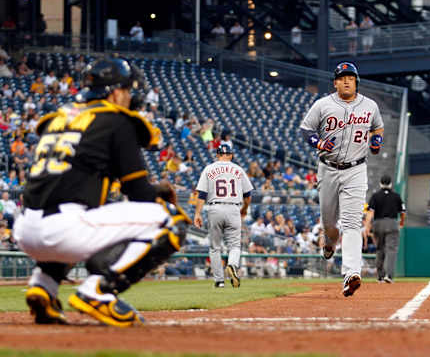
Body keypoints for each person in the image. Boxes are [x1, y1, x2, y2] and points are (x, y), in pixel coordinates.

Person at [13, 57, 191, 327]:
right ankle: (99, 291)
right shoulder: (116, 120)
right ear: (116, 92)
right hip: (64, 229)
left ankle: (44, 285)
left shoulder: (59, 118)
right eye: (128, 91)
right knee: (171, 220)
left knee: (92, 216)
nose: (130, 97)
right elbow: (137, 191)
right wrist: (158, 196)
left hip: (25, 228)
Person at [299, 62, 384, 297]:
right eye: (342, 77)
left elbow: (378, 128)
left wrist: (377, 141)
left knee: (352, 223)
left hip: (356, 170)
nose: (347, 80)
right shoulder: (323, 104)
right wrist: (318, 143)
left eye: (351, 77)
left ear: (356, 81)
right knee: (329, 222)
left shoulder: (370, 105)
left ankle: (351, 274)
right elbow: (306, 129)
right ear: (335, 82)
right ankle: (329, 240)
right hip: (328, 168)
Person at [194, 144, 254, 288]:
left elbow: (201, 194)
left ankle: (219, 281)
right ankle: (232, 265)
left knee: (215, 247)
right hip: (234, 208)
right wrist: (244, 209)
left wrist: (197, 213)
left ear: (217, 155)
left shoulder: (209, 168)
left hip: (215, 207)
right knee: (234, 245)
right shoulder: (238, 169)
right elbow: (248, 195)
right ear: (231, 155)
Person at [365, 175, 406, 283]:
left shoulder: (375, 196)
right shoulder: (396, 196)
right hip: (392, 223)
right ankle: (389, 275)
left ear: (380, 183)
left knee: (380, 249)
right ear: (391, 184)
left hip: (378, 224)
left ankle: (380, 276)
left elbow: (371, 212)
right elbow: (402, 212)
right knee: (391, 250)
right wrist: (401, 223)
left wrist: (367, 226)